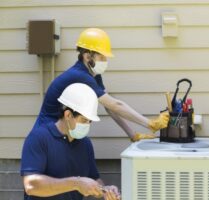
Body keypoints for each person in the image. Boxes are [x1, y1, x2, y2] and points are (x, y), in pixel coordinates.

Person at [33, 28, 169, 142]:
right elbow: (116, 105)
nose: (105, 61)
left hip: (64, 130)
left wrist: (132, 135)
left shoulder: (93, 74)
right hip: (48, 132)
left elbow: (110, 107)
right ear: (87, 56)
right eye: (102, 57)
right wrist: (150, 123)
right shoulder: (80, 75)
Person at [21, 83, 120, 200]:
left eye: (90, 121)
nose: (87, 125)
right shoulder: (39, 138)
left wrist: (105, 191)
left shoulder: (85, 144)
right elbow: (31, 185)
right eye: (84, 120)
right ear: (68, 115)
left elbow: (93, 179)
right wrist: (76, 183)